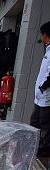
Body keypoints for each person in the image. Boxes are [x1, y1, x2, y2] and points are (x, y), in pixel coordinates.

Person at [32, 21, 50, 157]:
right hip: (40, 95)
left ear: (45, 34)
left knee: (45, 123)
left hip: (46, 95)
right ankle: (34, 144)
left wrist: (44, 86)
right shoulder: (47, 50)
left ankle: (45, 148)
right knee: (35, 121)